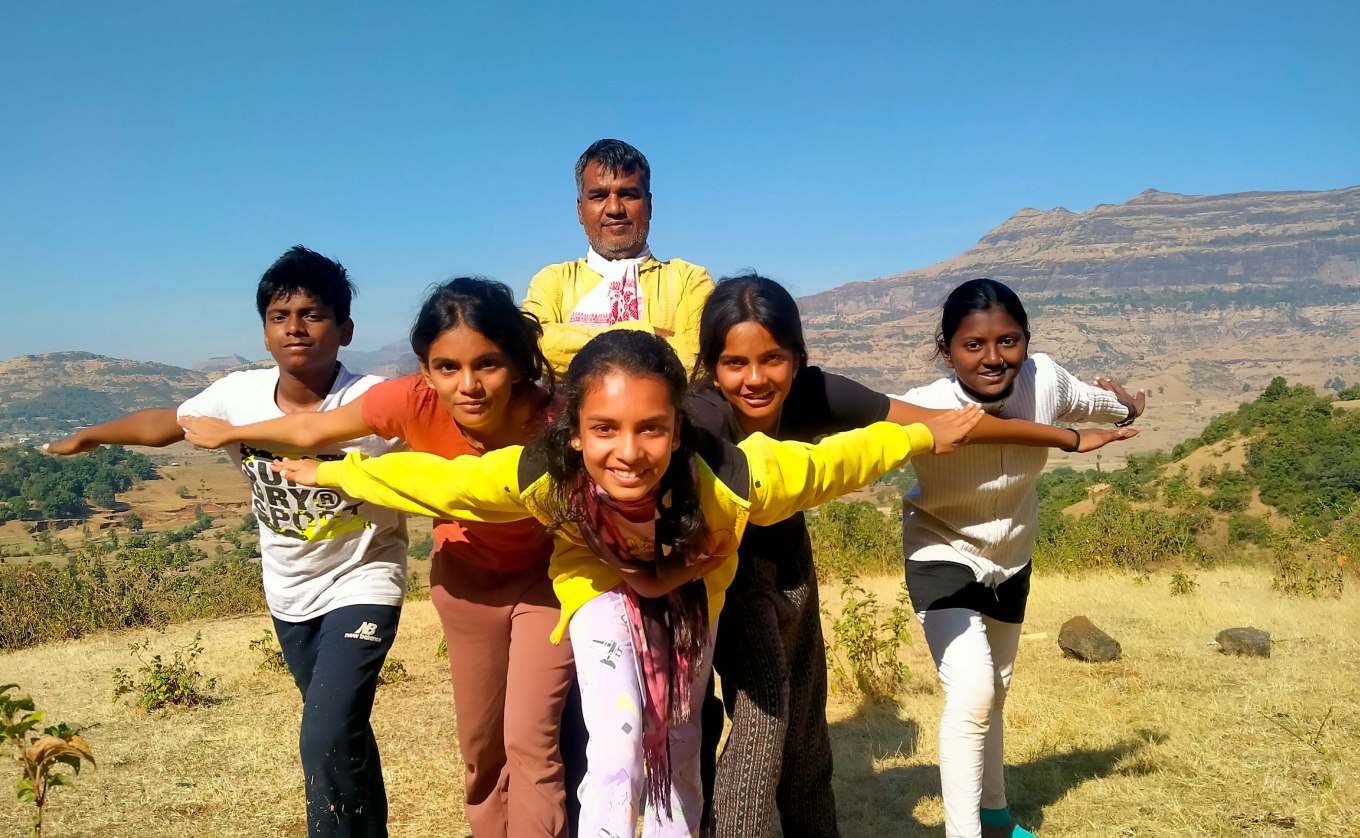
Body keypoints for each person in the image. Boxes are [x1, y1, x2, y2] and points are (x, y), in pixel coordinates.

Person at [269, 329, 984, 838]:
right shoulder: (544, 473)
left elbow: (839, 461)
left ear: (678, 429)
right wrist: (334, 470)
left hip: (689, 602)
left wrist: (924, 434)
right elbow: (444, 483)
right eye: (605, 428)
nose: (629, 452)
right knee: (616, 737)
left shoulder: (733, 478)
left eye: (651, 429)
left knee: (675, 746)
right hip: (602, 596)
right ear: (575, 431)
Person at [685, 274, 1138, 838]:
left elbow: (954, 426)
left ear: (797, 358)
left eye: (772, 359)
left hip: (789, 552)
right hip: (713, 568)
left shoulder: (817, 392)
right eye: (734, 363)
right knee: (763, 718)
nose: (755, 379)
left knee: (805, 720)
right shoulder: (700, 420)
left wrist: (1095, 424)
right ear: (711, 365)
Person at [179, 277, 571, 838]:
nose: (469, 386)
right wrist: (235, 433)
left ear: (516, 362)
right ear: (425, 367)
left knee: (531, 742)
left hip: (548, 582)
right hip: (466, 585)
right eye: (447, 368)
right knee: (481, 751)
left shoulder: (553, 417)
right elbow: (313, 426)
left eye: (488, 364)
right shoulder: (410, 399)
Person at [44, 246, 407, 838]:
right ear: (264, 333)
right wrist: (92, 436)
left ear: (344, 329)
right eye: (278, 316)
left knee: (325, 729)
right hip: (288, 590)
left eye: (313, 314)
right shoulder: (238, 393)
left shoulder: (374, 400)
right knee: (340, 730)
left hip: (365, 577)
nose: (295, 328)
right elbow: (167, 423)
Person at [898, 278, 1145, 838]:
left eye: (1008, 341)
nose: (993, 358)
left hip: (1012, 554)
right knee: (972, 689)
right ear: (947, 350)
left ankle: (997, 816)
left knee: (997, 688)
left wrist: (1125, 405)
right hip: (941, 549)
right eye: (973, 345)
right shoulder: (928, 406)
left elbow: (1096, 402)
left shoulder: (1045, 380)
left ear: (1026, 342)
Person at [522, 138, 714, 376]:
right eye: (599, 196)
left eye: (628, 194)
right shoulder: (552, 282)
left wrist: (571, 339)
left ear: (650, 205)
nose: (614, 209)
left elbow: (696, 359)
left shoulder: (689, 280)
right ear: (580, 210)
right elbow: (531, 348)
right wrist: (650, 334)